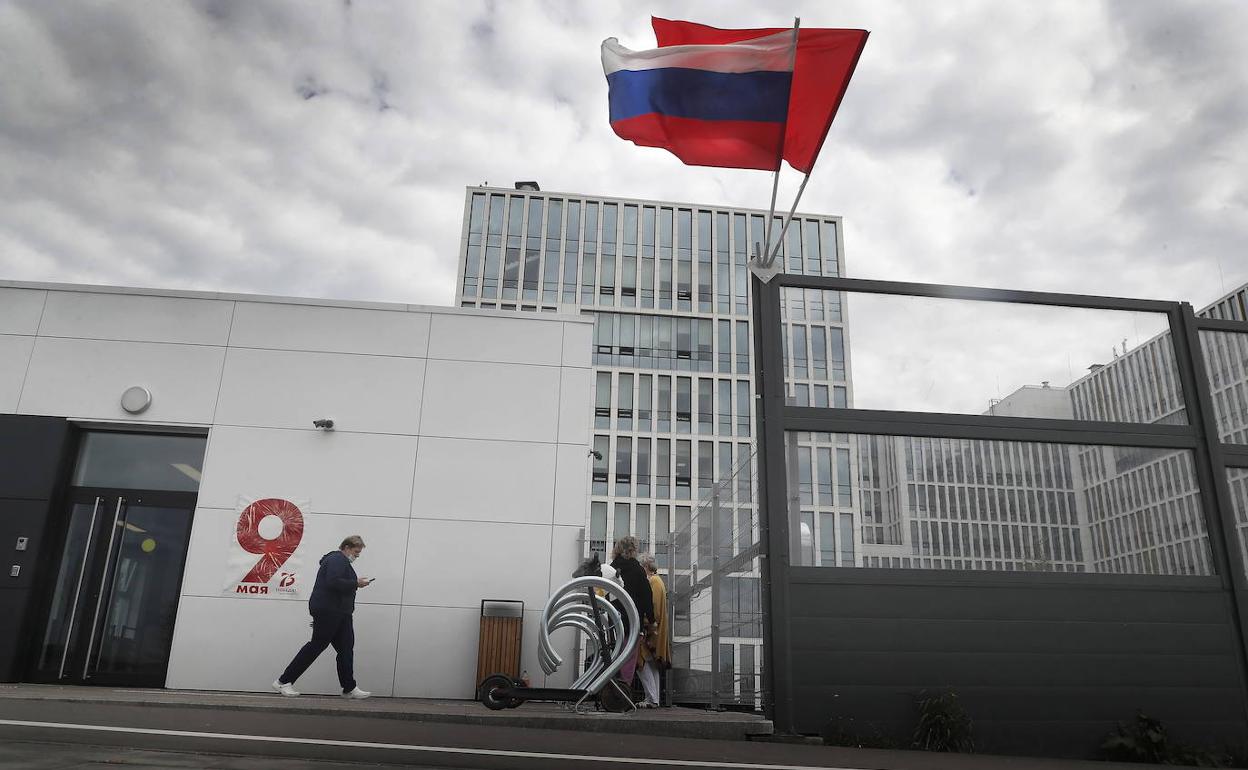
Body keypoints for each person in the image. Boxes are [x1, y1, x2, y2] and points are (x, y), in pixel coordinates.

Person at [272, 535, 373, 698]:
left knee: (346, 649)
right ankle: (283, 681)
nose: (357, 556)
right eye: (356, 552)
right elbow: (333, 581)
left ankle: (349, 688)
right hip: (331, 611)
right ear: (346, 548)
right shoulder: (337, 559)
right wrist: (356, 583)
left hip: (340, 613)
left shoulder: (340, 561)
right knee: (317, 646)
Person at [608, 536, 653, 696]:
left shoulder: (611, 568)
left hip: (614, 619)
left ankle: (610, 686)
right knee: (629, 656)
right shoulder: (638, 570)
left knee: (614, 651)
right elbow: (646, 596)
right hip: (633, 621)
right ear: (634, 550)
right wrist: (652, 620)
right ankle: (623, 689)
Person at [636, 553, 670, 708]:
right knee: (651, 664)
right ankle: (653, 699)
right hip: (656, 629)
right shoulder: (658, 580)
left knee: (640, 661)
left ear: (645, 567)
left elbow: (653, 607)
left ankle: (651, 698)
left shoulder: (654, 582)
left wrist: (644, 623)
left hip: (651, 629)